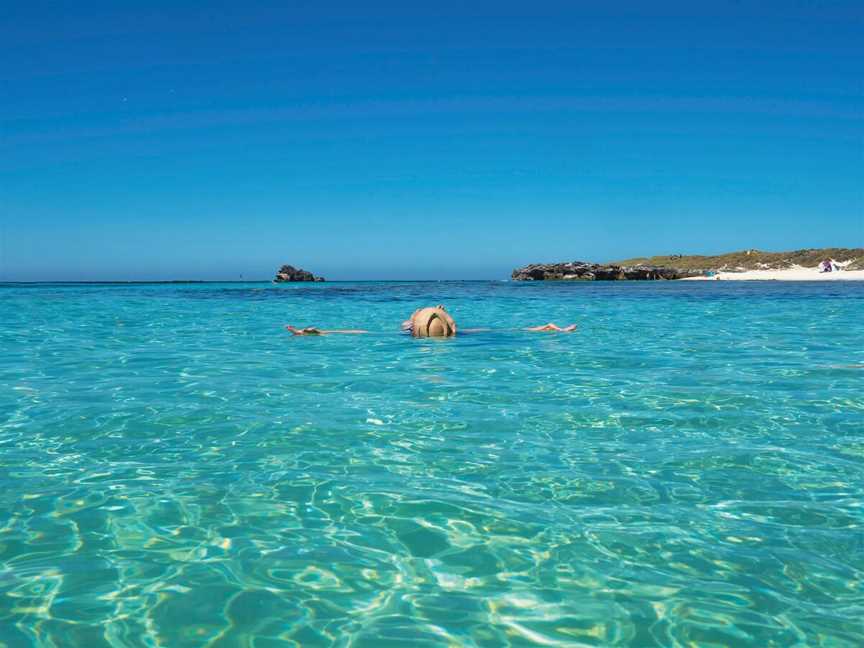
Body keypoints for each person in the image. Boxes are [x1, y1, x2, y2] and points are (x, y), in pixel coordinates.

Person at [286, 304, 577, 337]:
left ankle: (318, 332)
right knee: (497, 331)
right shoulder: (454, 331)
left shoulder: (408, 329)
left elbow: (358, 331)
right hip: (439, 333)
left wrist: (323, 331)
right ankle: (548, 329)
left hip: (426, 333)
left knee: (365, 333)